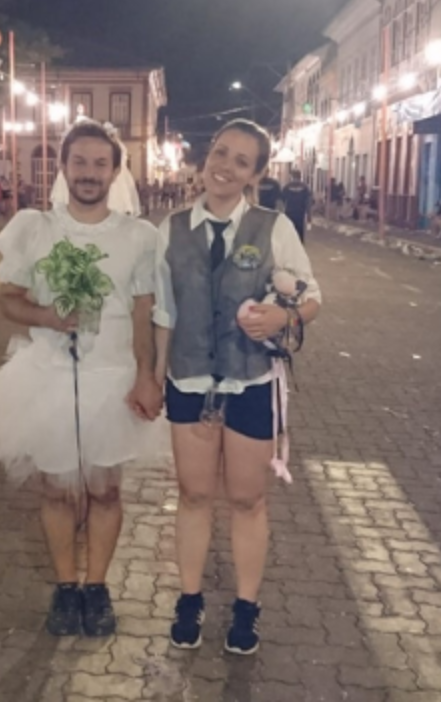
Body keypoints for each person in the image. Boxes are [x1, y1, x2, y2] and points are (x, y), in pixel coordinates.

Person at [0, 119, 163, 639]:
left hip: (114, 378)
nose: (89, 173)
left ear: (116, 172)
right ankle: (64, 587)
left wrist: (148, 375)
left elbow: (144, 313)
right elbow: (8, 300)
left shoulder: (139, 237)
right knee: (55, 490)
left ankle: (96, 587)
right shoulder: (35, 228)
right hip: (49, 377)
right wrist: (49, 317)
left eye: (100, 163)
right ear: (63, 167)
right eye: (79, 162)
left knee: (105, 490)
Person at [153, 119, 321, 655]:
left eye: (241, 161)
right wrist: (153, 378)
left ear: (255, 175)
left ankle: (246, 607)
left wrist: (282, 317)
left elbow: (311, 297)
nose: (225, 166)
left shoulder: (273, 227)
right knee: (194, 494)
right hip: (189, 380)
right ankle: (189, 599)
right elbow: (163, 312)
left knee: (247, 499)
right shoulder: (172, 228)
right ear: (208, 157)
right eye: (220, 153)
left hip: (250, 381)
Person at [282, 169, 311, 243]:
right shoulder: (305, 187)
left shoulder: (287, 186)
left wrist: (281, 213)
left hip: (289, 212)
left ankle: (290, 243)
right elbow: (308, 202)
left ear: (292, 176)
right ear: (300, 176)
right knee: (300, 230)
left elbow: (282, 200)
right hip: (300, 212)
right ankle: (299, 244)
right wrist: (309, 217)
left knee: (289, 230)